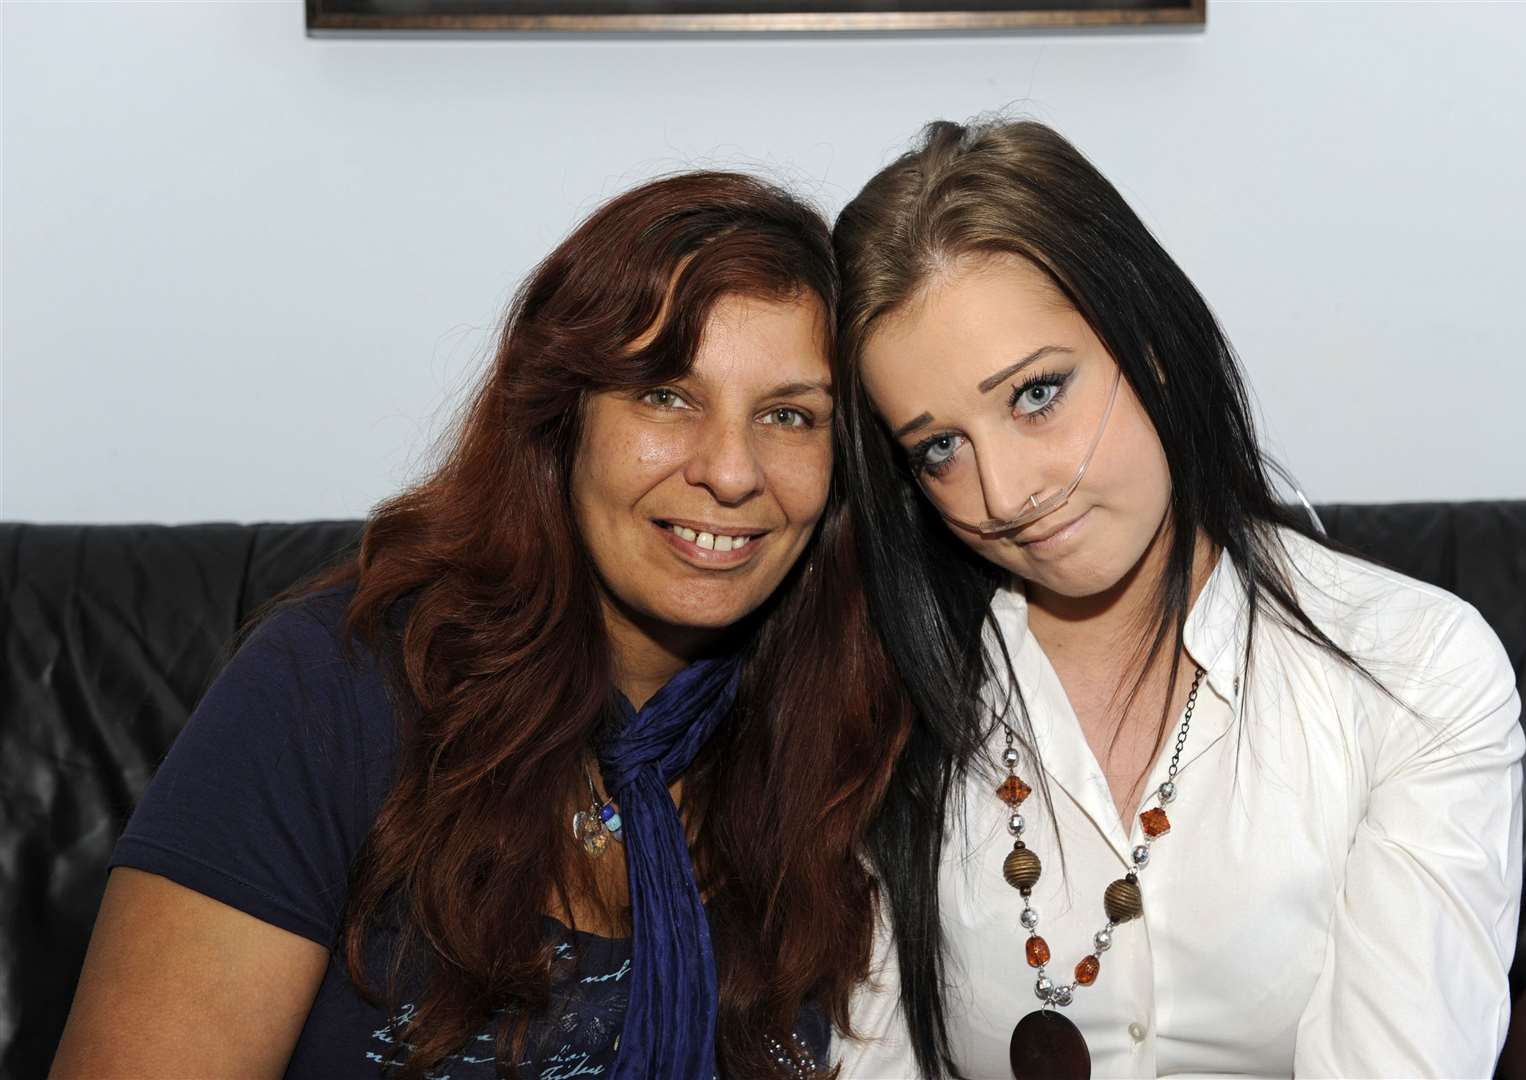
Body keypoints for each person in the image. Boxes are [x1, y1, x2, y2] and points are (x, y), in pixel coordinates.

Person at [51, 171, 905, 1080]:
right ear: (559, 418)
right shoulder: (333, 687)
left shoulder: (842, 736)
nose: (731, 471)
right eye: (665, 395)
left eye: (787, 415)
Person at [829, 119, 1525, 1079]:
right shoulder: (885, 697)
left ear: (1149, 346)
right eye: (938, 447)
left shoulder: (1413, 672)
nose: (1002, 493)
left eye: (1035, 395)